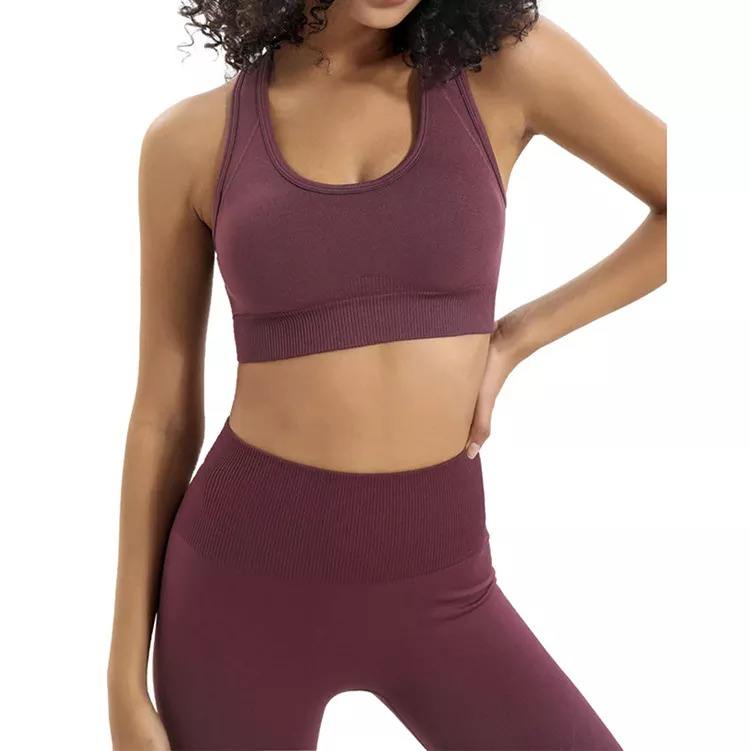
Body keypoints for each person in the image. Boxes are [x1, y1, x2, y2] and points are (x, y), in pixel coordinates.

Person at [107, 1, 666, 749]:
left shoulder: (505, 69)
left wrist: (516, 338)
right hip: (240, 591)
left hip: (446, 587)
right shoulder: (191, 138)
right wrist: (122, 677)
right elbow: (164, 414)